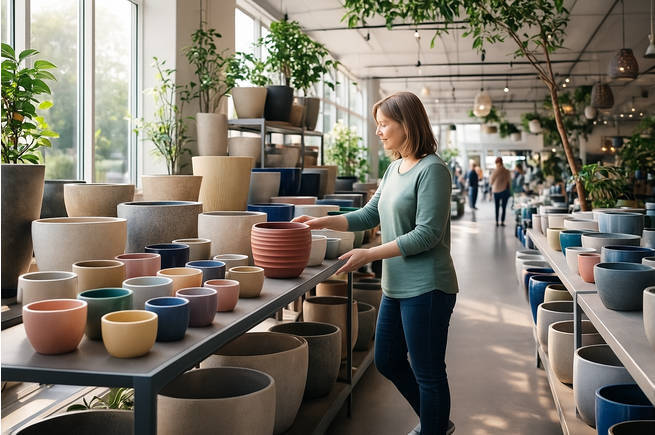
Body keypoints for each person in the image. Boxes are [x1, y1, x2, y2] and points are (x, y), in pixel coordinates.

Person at [293, 91, 458, 435]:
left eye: (384, 124)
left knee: (428, 372)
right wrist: (322, 221)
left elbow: (427, 234)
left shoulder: (434, 171)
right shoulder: (394, 168)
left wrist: (369, 254)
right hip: (396, 285)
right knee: (387, 359)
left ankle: (434, 427)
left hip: (428, 287)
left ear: (407, 124)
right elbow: (369, 215)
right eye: (377, 125)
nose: (379, 132)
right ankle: (437, 421)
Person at [490, 156, 512, 226]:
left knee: (496, 207)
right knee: (504, 207)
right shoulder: (507, 171)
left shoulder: (495, 171)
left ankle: (496, 221)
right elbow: (509, 182)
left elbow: (491, 182)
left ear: (497, 163)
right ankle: (502, 221)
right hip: (504, 191)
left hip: (496, 191)